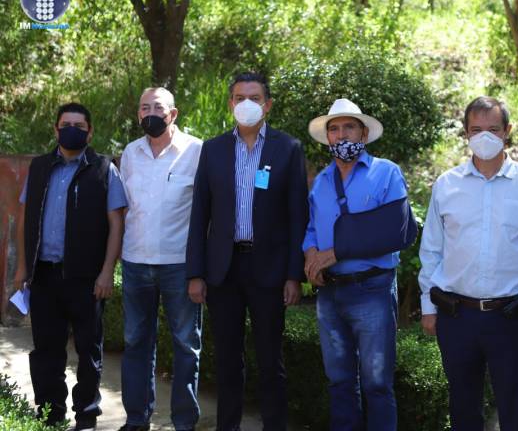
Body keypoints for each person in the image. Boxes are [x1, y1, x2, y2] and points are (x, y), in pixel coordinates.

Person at [418, 96, 518, 431]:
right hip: (457, 317)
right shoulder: (447, 185)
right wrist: (428, 306)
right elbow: (432, 250)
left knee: (517, 413)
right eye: (476, 129)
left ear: (507, 131)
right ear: (466, 133)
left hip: (513, 317)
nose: (484, 136)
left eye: (493, 129)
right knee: (463, 411)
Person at [185, 72, 308, 431]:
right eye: (240, 98)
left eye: (254, 98)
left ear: (267, 105)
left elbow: (297, 216)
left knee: (271, 361)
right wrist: (196, 272)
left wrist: (293, 275)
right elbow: (200, 214)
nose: (247, 104)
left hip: (269, 269)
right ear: (230, 104)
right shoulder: (213, 149)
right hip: (223, 270)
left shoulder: (288, 148)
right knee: (227, 361)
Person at [13, 102, 127, 431]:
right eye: (66, 125)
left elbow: (116, 223)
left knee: (88, 351)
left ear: (90, 133)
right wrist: (22, 268)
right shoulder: (39, 168)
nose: (72, 130)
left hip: (86, 278)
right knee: (46, 350)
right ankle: (51, 413)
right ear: (56, 129)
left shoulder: (104, 169)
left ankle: (86, 415)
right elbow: (23, 218)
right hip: (44, 275)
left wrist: (107, 272)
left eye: (79, 126)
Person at [303, 98, 410, 431]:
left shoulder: (386, 173)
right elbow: (311, 228)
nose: (341, 134)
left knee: (377, 383)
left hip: (372, 289)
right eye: (334, 129)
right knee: (339, 381)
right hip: (330, 292)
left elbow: (396, 230)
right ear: (328, 137)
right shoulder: (322, 181)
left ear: (363, 134)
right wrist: (311, 255)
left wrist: (335, 253)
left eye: (349, 126)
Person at [117, 87, 203, 431]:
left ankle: (184, 423)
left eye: (157, 107)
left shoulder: (196, 151)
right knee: (135, 343)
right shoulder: (130, 153)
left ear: (173, 113)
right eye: (144, 108)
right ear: (138, 114)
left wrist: (199, 269)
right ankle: (137, 419)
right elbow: (124, 208)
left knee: (186, 345)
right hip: (135, 263)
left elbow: (207, 213)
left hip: (179, 265)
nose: (150, 113)